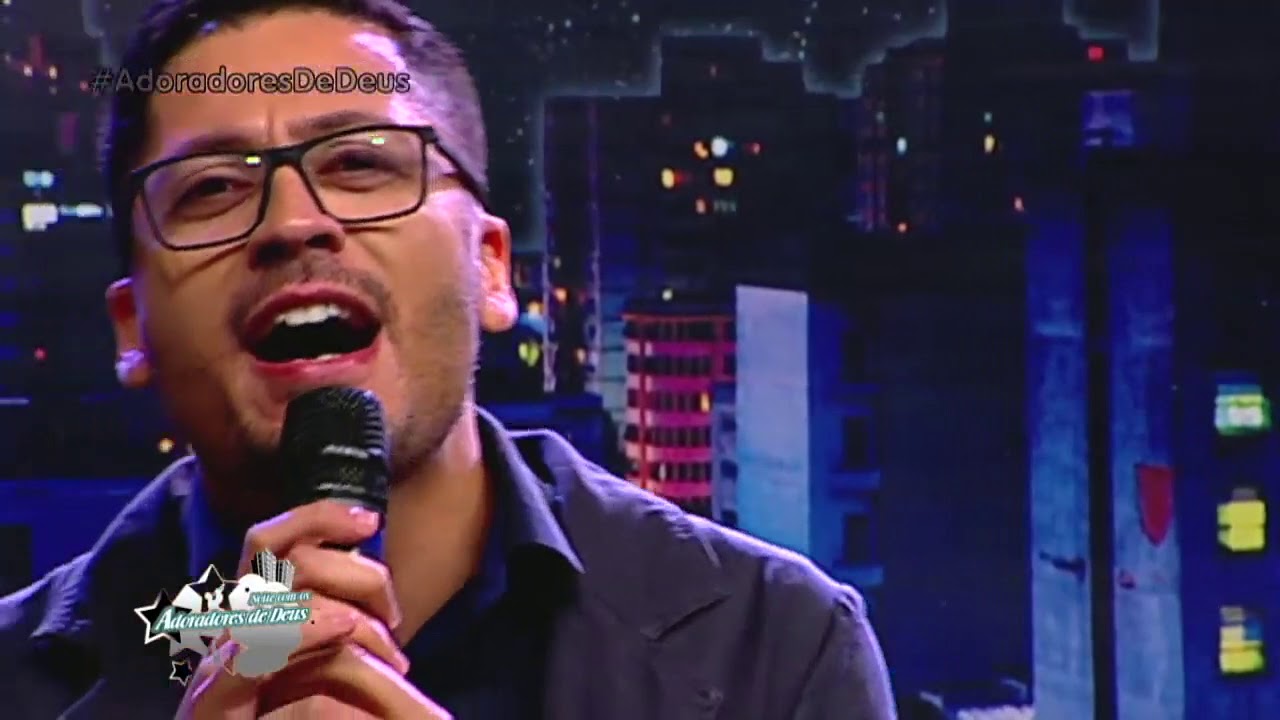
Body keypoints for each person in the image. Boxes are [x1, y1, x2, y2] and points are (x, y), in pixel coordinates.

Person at [0, 0, 897, 717]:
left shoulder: (776, 648)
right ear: (131, 328)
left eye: (360, 163)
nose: (293, 222)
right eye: (213, 189)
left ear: (492, 268)